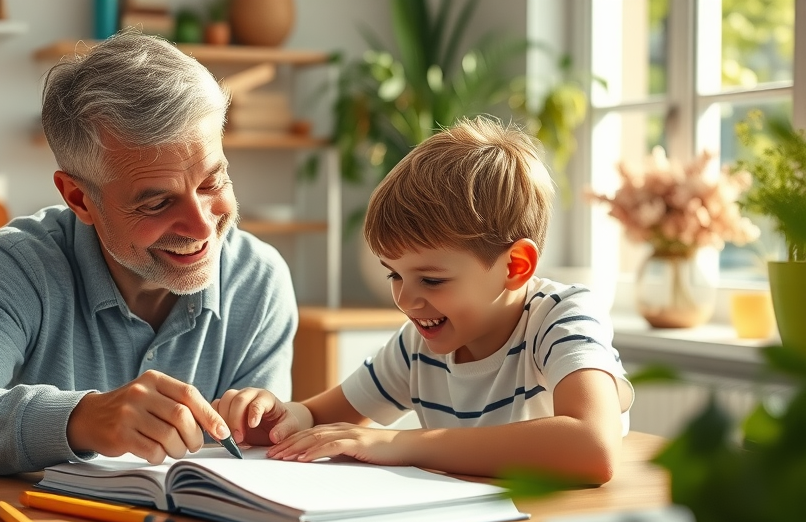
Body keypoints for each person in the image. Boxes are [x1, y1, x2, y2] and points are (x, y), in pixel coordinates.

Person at [0, 31, 298, 475]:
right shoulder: (19, 266)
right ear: (79, 199)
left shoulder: (259, 279)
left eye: (213, 183)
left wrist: (269, 425)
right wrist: (82, 418)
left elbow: (257, 466)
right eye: (157, 203)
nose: (202, 227)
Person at [214, 116, 634, 484]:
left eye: (431, 280)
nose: (405, 299)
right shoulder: (417, 347)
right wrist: (281, 418)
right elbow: (322, 415)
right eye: (394, 274)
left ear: (515, 266)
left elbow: (593, 447)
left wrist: (404, 443)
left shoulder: (563, 317)